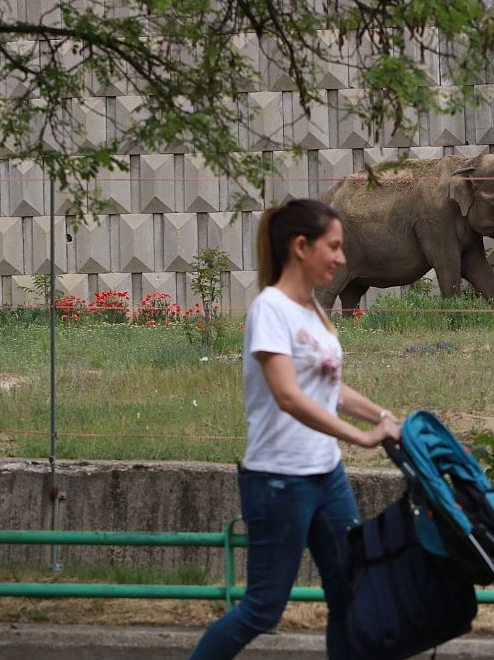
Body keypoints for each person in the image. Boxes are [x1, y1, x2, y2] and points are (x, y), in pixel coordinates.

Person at [189, 199, 402, 660]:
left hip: (326, 476)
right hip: (279, 480)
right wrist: (361, 437)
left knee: (350, 593)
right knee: (263, 608)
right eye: (335, 247)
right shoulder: (271, 310)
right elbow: (288, 396)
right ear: (301, 247)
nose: (342, 258)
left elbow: (330, 388)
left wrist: (384, 418)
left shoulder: (313, 313)